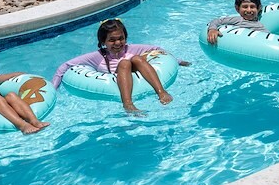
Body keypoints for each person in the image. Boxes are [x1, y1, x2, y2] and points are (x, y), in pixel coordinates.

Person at [52, 18, 190, 114]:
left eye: (121, 38)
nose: (118, 43)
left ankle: (161, 92)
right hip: (114, 77)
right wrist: (53, 89)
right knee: (124, 63)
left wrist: (177, 61)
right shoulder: (97, 57)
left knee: (136, 59)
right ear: (103, 41)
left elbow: (157, 50)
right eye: (112, 40)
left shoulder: (132, 49)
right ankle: (128, 104)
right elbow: (65, 66)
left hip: (135, 69)